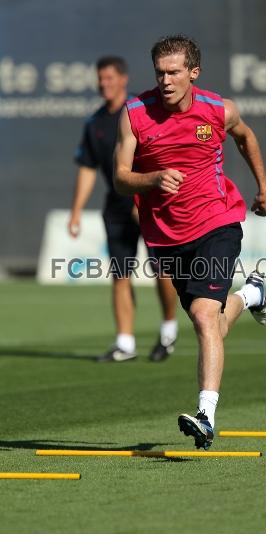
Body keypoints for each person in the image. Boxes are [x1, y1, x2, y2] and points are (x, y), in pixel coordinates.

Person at [114, 35, 266, 449]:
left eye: (174, 72)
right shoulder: (134, 114)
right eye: (160, 73)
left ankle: (206, 415)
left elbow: (245, 138)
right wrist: (150, 179)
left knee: (204, 317)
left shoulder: (218, 110)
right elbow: (120, 176)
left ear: (193, 73)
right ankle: (251, 295)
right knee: (214, 324)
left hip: (218, 222)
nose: (166, 80)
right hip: (166, 236)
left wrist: (263, 186)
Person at [68, 55, 178, 363]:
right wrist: (76, 211)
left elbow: (159, 157)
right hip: (115, 208)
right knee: (120, 274)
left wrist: (143, 199)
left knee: (162, 270)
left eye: (110, 78)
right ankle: (125, 343)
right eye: (100, 79)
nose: (104, 84)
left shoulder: (140, 113)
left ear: (123, 79)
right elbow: (88, 168)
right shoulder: (95, 123)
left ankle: (168, 330)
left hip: (149, 203)